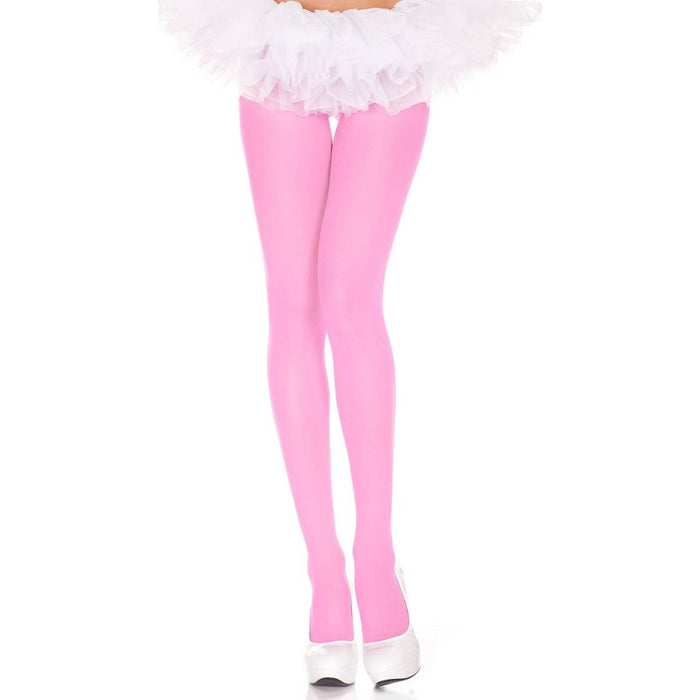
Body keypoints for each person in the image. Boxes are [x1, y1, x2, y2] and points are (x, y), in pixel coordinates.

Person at [159, 0, 541, 687]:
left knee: (344, 297)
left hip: (393, 32)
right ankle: (329, 580)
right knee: (297, 303)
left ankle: (371, 565)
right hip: (280, 31)